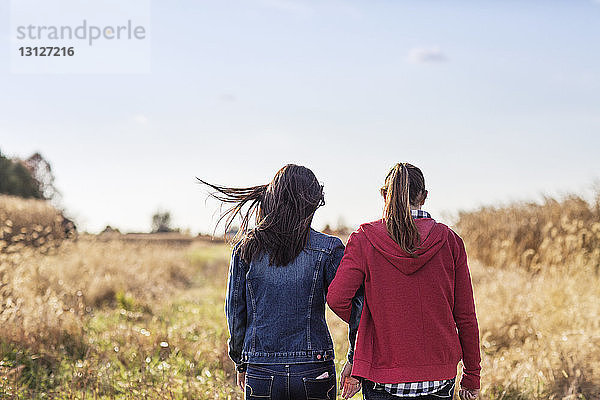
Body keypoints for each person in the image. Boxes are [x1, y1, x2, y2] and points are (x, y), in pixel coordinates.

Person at [198, 164, 360, 400]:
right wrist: (355, 359)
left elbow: (235, 313)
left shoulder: (246, 248)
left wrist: (241, 361)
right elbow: (358, 305)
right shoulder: (328, 248)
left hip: (261, 366)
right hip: (314, 367)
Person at [327, 162, 481, 400]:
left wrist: (373, 321)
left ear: (384, 195)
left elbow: (337, 298)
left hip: (382, 376)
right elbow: (465, 316)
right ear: (424, 196)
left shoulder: (364, 238)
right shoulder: (450, 241)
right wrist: (472, 376)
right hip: (439, 377)